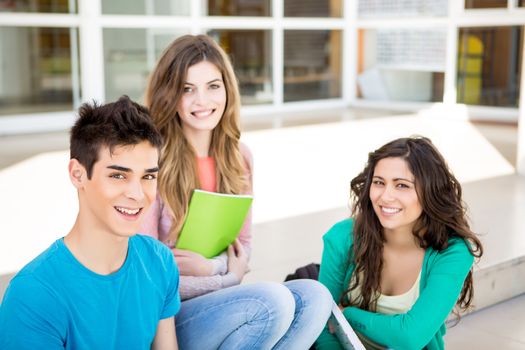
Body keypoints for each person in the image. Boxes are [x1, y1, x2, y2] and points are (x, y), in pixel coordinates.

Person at [142, 34, 332, 349]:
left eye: (212, 86)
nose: (202, 101)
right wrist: (227, 276)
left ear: (228, 90)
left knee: (315, 297)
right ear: (169, 95)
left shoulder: (239, 157)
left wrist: (212, 268)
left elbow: (242, 247)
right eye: (187, 89)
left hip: (223, 301)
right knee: (273, 302)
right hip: (170, 317)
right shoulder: (152, 162)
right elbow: (147, 271)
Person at [0, 96, 180, 349]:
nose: (138, 194)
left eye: (148, 176)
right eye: (118, 175)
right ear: (78, 174)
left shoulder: (159, 262)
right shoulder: (33, 295)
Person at [316, 136, 483, 350]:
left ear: (430, 191)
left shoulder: (453, 253)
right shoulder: (342, 237)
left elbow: (410, 336)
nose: (385, 196)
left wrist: (347, 314)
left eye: (402, 185)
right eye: (379, 182)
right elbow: (320, 323)